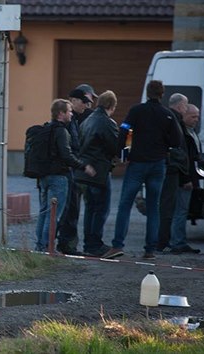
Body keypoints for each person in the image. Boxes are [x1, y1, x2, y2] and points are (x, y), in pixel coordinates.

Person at [104, 80, 182, 260]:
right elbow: (176, 141)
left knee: (125, 204)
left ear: (147, 92)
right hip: (158, 165)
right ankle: (150, 250)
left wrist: (122, 154)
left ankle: (117, 246)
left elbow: (124, 130)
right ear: (162, 94)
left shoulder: (136, 111)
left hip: (137, 163)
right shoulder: (167, 115)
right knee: (154, 207)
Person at [36, 99, 95, 252]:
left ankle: (40, 245)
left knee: (43, 213)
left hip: (44, 177)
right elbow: (66, 155)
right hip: (59, 178)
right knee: (54, 214)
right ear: (61, 113)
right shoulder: (61, 131)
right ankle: (47, 247)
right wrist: (84, 166)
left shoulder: (46, 128)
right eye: (69, 111)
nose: (71, 114)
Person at [76, 90, 119, 256]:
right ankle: (95, 244)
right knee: (101, 209)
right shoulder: (107, 123)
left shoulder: (88, 120)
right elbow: (114, 147)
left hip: (85, 171)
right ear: (111, 106)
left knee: (90, 209)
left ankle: (89, 244)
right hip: (99, 172)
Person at [56, 88, 93, 255]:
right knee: (70, 210)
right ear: (73, 100)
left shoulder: (77, 119)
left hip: (72, 169)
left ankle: (64, 244)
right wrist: (83, 166)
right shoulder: (68, 122)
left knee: (70, 210)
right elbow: (70, 150)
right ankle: (66, 245)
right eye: (83, 102)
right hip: (70, 171)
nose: (86, 106)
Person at [157, 93, 189, 252]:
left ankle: (161, 240)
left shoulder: (166, 117)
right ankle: (162, 241)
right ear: (178, 106)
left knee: (163, 206)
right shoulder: (174, 120)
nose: (186, 109)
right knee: (167, 207)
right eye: (185, 105)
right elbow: (178, 147)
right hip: (171, 170)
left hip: (166, 167)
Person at [169, 103, 202, 254]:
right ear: (184, 115)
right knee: (180, 211)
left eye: (198, 116)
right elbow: (184, 159)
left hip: (190, 177)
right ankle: (177, 242)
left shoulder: (191, 132)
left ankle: (178, 241)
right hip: (184, 179)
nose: (197, 119)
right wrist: (186, 179)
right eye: (193, 116)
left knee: (181, 210)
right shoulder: (184, 134)